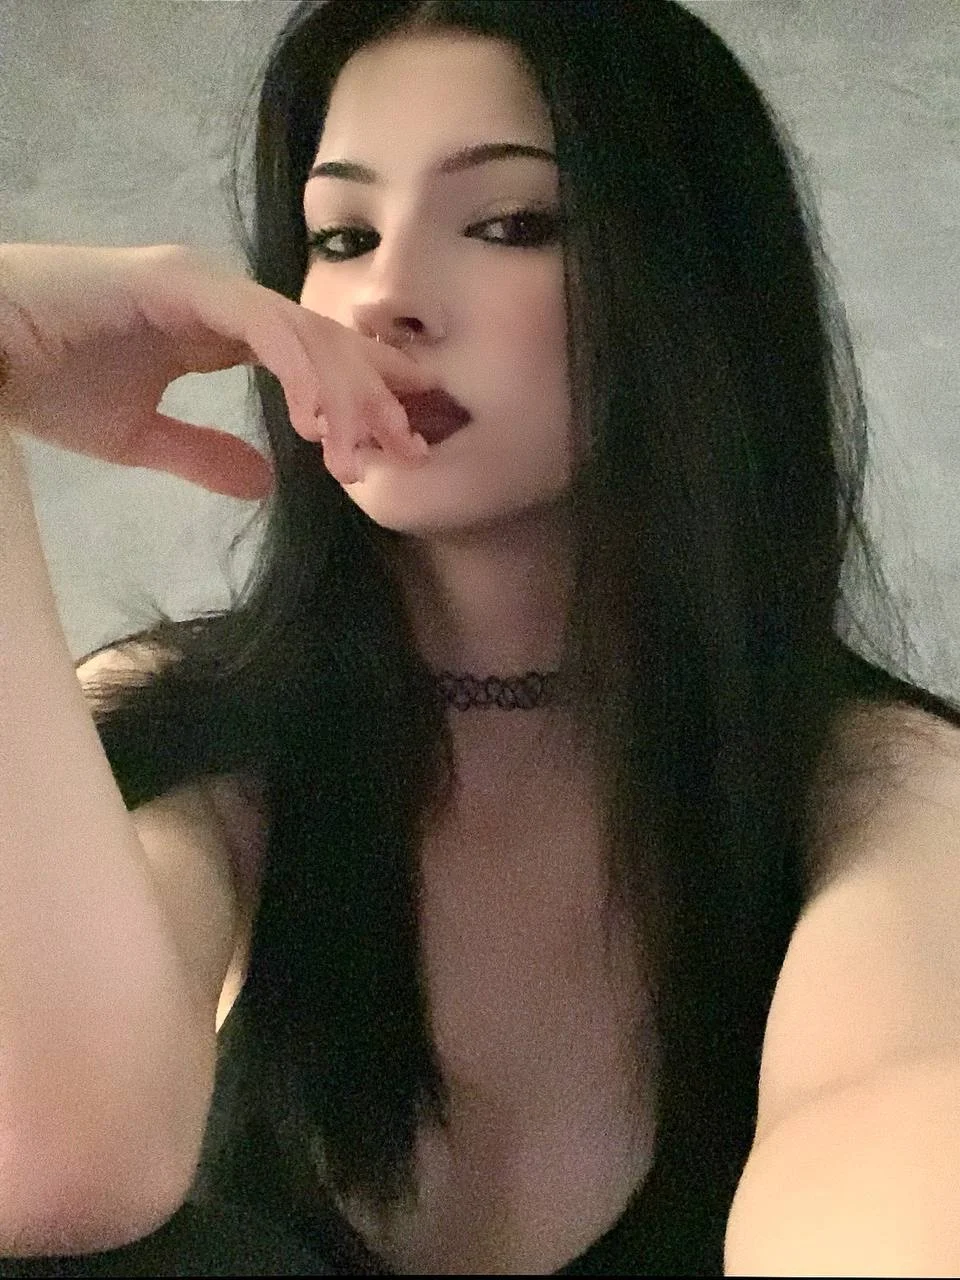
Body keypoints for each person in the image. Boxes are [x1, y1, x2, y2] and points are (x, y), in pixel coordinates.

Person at [2, 0, 959, 1274]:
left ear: (692, 285)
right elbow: (46, 1164)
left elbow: (891, 1169)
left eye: (511, 223)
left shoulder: (882, 786)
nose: (383, 298)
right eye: (341, 236)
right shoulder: (192, 724)